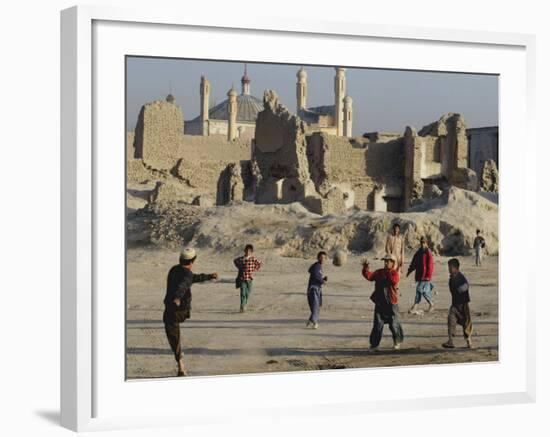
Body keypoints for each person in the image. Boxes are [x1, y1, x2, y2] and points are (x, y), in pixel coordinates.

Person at [163, 248, 218, 377]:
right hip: (180, 309)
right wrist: (178, 296)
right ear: (192, 261)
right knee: (173, 332)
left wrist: (209, 276)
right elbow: (186, 283)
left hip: (173, 309)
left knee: (173, 334)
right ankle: (181, 365)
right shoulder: (187, 274)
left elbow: (189, 281)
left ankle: (179, 359)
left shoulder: (174, 269)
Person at [362, 254, 404, 351]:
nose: (386, 263)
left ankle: (397, 342)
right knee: (377, 325)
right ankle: (374, 345)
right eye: (385, 261)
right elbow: (369, 276)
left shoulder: (394, 273)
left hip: (391, 303)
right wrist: (365, 268)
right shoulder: (379, 272)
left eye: (389, 261)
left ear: (393, 263)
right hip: (380, 303)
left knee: (394, 324)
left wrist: (388, 272)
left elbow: (393, 281)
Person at [442, 258, 473, 349]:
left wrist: (460, 289)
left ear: (456, 268)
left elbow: (466, 285)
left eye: (450, 267)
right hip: (455, 304)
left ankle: (468, 341)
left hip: (463, 305)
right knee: (451, 320)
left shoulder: (460, 277)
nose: (449, 269)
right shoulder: (452, 278)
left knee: (466, 323)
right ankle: (450, 341)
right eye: (448, 267)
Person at [407, 236, 435, 314]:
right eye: (421, 242)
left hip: (425, 276)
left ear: (427, 243)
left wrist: (428, 276)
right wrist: (409, 270)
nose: (422, 244)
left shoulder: (428, 252)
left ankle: (415, 306)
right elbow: (414, 263)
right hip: (420, 275)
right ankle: (431, 304)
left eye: (424, 242)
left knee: (419, 289)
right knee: (425, 292)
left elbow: (430, 265)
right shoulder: (419, 252)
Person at [233, 244, 263, 312]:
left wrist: (254, 269)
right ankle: (242, 306)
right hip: (242, 278)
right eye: (246, 251)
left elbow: (260, 263)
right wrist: (239, 267)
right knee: (242, 293)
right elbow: (235, 261)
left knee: (247, 293)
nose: (247, 252)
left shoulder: (253, 259)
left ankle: (245, 304)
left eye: (249, 251)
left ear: (251, 252)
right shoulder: (241, 259)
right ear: (244, 251)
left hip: (250, 279)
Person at [306, 251, 328, 329]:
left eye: (324, 258)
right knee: (315, 306)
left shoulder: (318, 266)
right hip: (313, 289)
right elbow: (315, 275)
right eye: (321, 257)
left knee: (317, 306)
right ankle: (314, 322)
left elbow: (316, 275)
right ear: (318, 258)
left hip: (317, 289)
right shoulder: (317, 266)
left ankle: (311, 320)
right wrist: (322, 281)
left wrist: (322, 279)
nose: (323, 259)